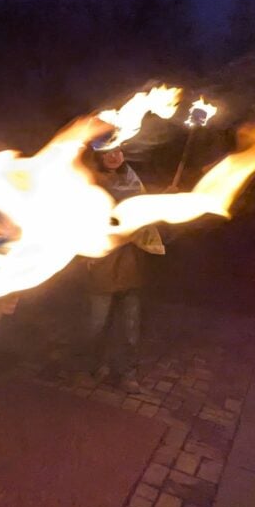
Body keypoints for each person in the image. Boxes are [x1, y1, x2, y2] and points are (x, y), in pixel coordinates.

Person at [76, 145, 164, 393]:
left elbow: (146, 218)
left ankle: (128, 373)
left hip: (130, 263)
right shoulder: (91, 183)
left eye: (119, 151)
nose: (114, 156)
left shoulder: (134, 182)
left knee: (130, 328)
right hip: (102, 262)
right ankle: (95, 367)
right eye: (108, 152)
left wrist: (164, 202)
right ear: (99, 156)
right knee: (96, 324)